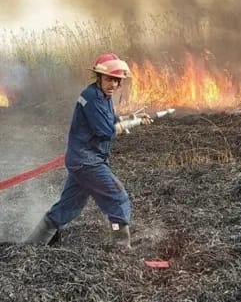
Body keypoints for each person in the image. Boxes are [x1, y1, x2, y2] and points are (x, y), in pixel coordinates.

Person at [25, 52, 152, 248]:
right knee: (118, 198)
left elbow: (108, 120)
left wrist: (130, 117)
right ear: (99, 76)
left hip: (82, 161)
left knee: (69, 206)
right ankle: (121, 246)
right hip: (88, 162)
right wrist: (132, 124)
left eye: (118, 81)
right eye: (110, 79)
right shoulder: (91, 98)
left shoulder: (101, 96)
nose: (114, 85)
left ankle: (33, 244)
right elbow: (105, 131)